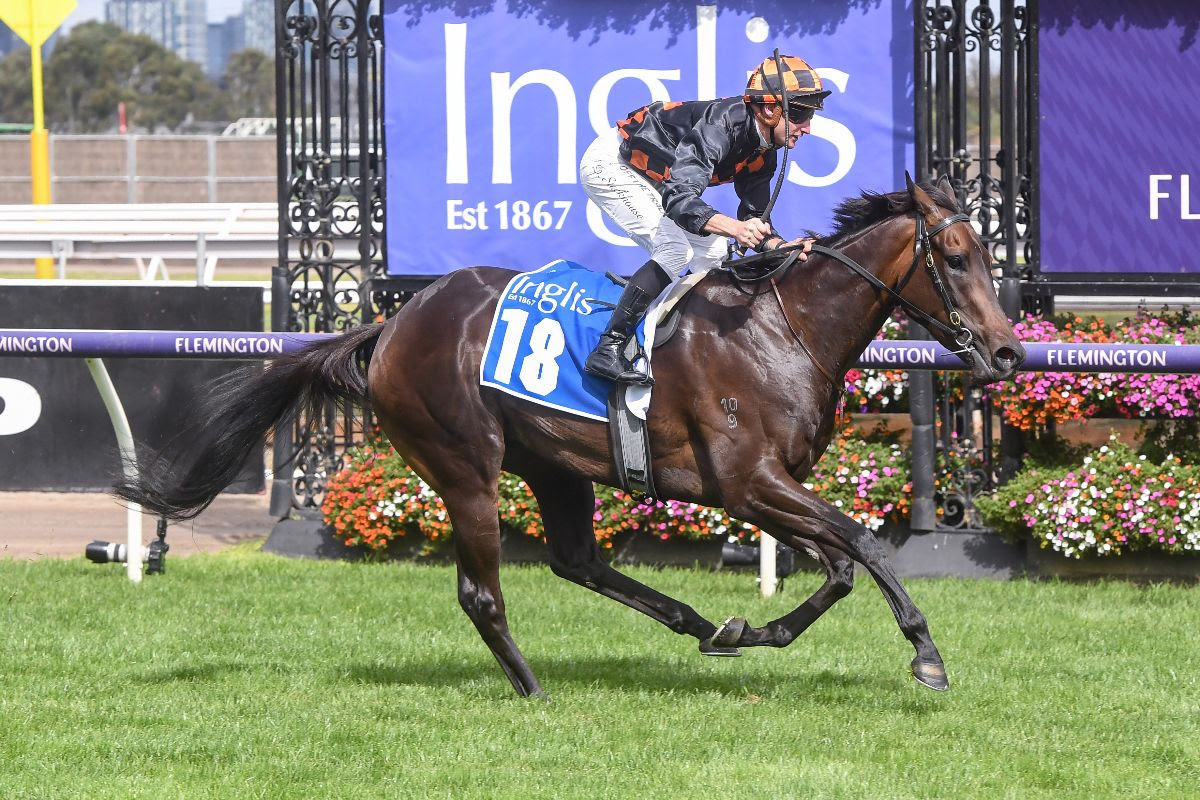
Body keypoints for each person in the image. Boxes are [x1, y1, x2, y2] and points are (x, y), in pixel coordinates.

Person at [580, 53, 830, 385]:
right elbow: (680, 200)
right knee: (674, 250)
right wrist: (735, 228)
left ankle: (681, 343)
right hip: (614, 163)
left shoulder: (764, 151)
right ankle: (607, 348)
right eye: (800, 114)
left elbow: (754, 218)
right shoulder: (721, 125)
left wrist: (781, 247)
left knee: (715, 256)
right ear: (769, 110)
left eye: (811, 115)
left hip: (656, 178)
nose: (807, 127)